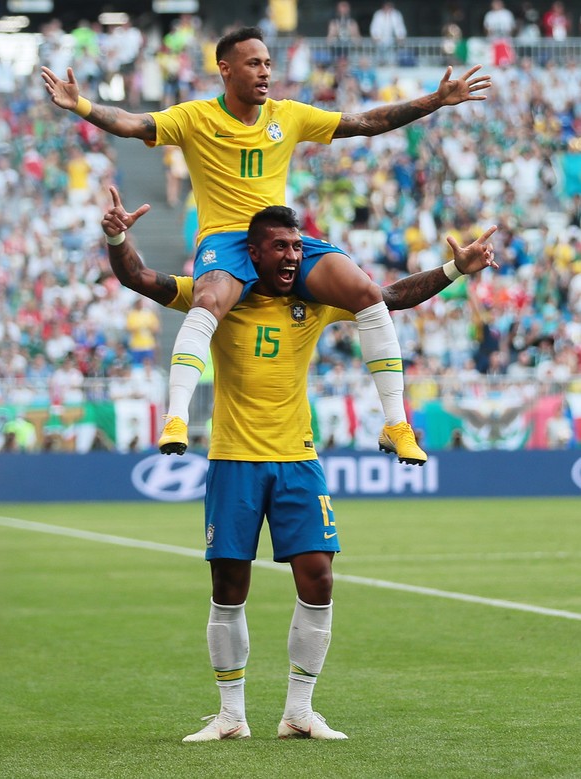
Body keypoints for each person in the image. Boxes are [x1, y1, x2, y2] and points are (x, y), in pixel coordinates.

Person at [102, 187, 497, 741]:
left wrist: (455, 269)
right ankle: (231, 715)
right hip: (234, 459)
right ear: (253, 253)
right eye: (280, 247)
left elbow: (388, 297)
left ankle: (299, 711)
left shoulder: (314, 298)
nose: (292, 256)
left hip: (298, 460)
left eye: (296, 245)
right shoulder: (216, 293)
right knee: (229, 585)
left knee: (319, 577)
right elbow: (140, 278)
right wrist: (118, 237)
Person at [42, 27, 492, 467]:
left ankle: (396, 424)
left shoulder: (288, 115)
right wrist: (79, 104)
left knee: (368, 294)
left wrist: (435, 101)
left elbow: (366, 123)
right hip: (226, 241)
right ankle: (176, 418)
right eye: (254, 63)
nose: (265, 72)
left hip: (280, 236)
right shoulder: (195, 117)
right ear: (225, 69)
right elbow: (131, 122)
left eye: (268, 64)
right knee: (208, 299)